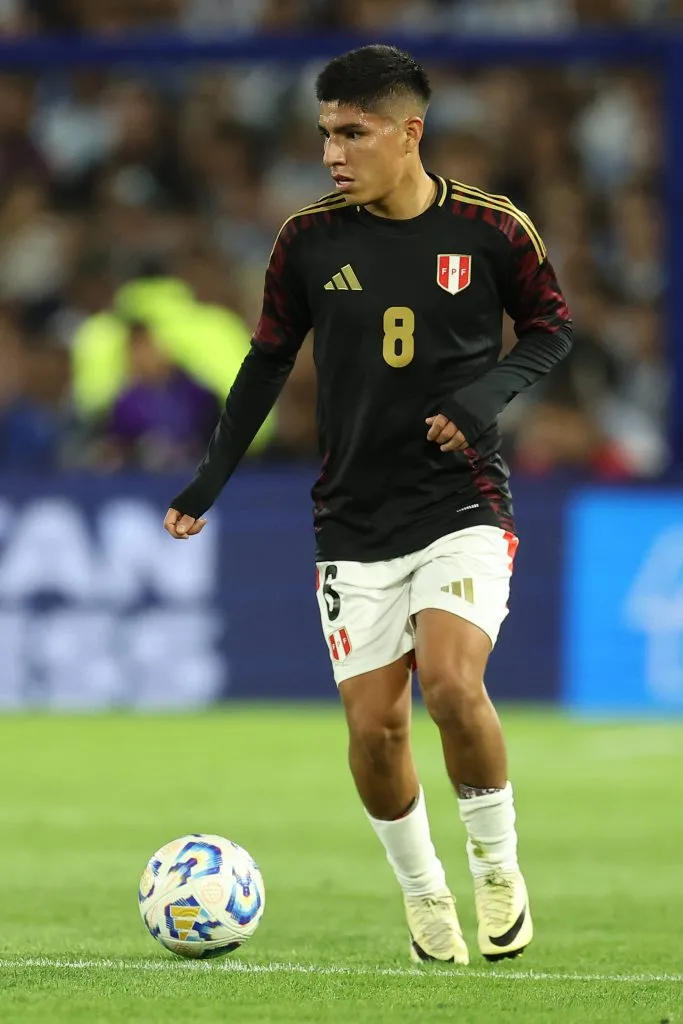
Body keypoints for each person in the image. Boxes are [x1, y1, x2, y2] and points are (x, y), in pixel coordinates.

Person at [164, 45, 572, 965]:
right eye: (324, 136)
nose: (333, 155)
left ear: (408, 133)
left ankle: (496, 869)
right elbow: (267, 361)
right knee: (373, 725)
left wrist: (482, 399)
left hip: (461, 502)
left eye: (353, 134)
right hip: (351, 516)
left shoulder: (492, 229)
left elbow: (552, 326)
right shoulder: (306, 241)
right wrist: (210, 478)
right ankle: (424, 892)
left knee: (451, 684)